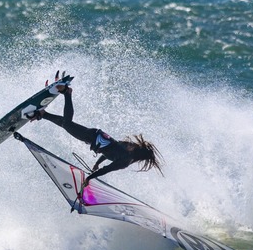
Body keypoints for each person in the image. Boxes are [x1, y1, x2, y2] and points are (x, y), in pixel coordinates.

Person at [29, 72, 162, 187]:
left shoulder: (128, 148)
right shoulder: (125, 161)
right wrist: (89, 178)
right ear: (141, 158)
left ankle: (44, 114)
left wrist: (96, 164)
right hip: (91, 138)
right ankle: (66, 93)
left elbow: (109, 150)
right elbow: (106, 169)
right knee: (68, 124)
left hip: (94, 135)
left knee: (66, 125)